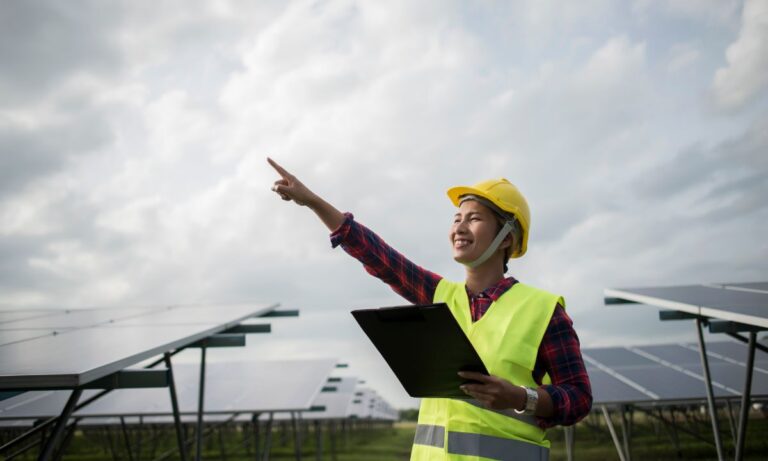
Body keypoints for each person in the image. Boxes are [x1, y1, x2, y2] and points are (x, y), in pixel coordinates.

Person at [267, 157, 592, 461]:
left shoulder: (544, 311)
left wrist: (523, 398)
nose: (460, 227)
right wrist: (312, 201)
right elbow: (379, 256)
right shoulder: (439, 296)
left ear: (507, 237)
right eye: (457, 219)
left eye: (474, 218)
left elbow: (578, 399)